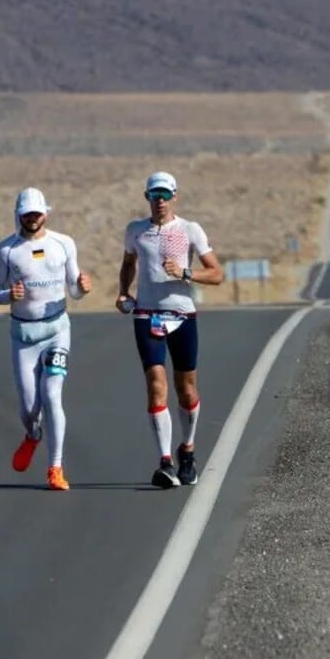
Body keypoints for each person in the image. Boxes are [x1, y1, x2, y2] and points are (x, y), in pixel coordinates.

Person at [116, 171, 223, 489]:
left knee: (187, 389)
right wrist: (124, 292)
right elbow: (128, 263)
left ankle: (186, 451)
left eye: (165, 195)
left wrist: (186, 272)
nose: (159, 200)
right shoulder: (136, 231)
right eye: (154, 195)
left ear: (174, 196)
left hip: (182, 316)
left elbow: (217, 274)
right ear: (146, 197)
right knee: (156, 383)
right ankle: (165, 462)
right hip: (147, 315)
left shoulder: (190, 230)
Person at [0, 186, 91, 491]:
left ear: (46, 213)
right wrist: (9, 295)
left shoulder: (63, 244)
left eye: (37, 213)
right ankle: (33, 435)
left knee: (52, 394)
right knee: (29, 408)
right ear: (19, 215)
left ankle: (55, 468)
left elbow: (73, 289)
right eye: (27, 214)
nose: (33, 218)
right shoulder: (7, 250)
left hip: (57, 330)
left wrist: (82, 288)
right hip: (24, 336)